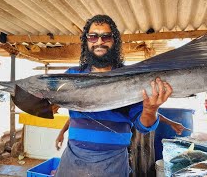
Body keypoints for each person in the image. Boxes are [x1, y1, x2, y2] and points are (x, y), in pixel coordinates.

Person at [54, 14, 172, 177]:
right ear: (86, 41)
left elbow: (143, 125)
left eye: (106, 36)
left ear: (114, 41)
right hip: (74, 161)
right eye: (93, 36)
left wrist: (151, 110)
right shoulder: (72, 75)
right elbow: (48, 104)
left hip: (113, 164)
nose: (99, 42)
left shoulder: (132, 76)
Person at [56, 114, 189, 177]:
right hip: (75, 159)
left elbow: (150, 113)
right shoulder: (87, 98)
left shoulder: (128, 100)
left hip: (118, 154)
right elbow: (73, 114)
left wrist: (172, 123)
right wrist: (61, 133)